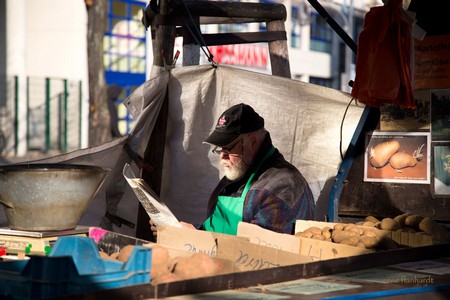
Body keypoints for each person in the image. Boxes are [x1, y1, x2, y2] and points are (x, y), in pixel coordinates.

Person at [150, 103, 315, 236]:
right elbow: (216, 232)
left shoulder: (283, 187)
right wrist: (177, 232)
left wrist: (195, 239)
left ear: (252, 142)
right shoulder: (239, 172)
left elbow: (258, 253)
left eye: (228, 149)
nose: (222, 158)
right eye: (220, 149)